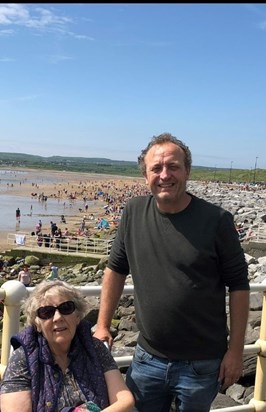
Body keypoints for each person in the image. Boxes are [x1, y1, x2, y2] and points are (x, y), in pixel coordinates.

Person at [94, 132, 250, 412]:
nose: (165, 174)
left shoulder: (216, 221)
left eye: (173, 166)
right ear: (145, 176)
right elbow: (116, 269)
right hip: (146, 358)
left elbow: (239, 286)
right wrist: (103, 324)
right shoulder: (132, 211)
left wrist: (236, 351)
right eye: (156, 168)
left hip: (202, 364)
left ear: (187, 171)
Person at [0, 280, 135, 412]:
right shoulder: (23, 358)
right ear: (37, 324)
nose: (58, 317)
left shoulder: (95, 348)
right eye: (47, 312)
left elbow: (124, 401)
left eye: (66, 308)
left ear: (77, 317)